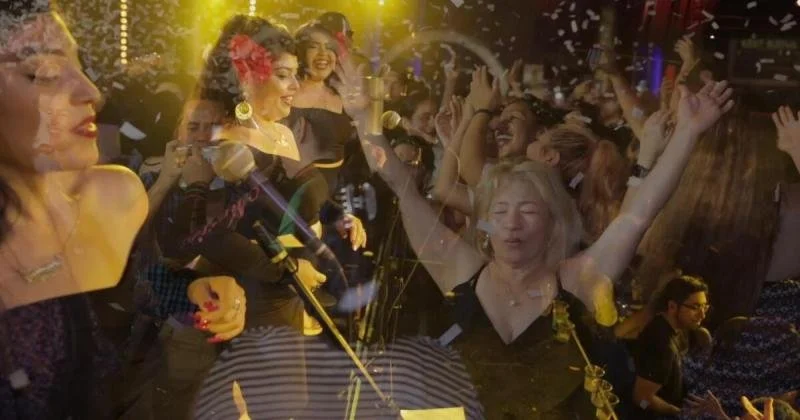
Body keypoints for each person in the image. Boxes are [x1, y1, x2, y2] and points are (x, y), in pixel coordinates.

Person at [337, 54, 734, 416]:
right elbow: (402, 185)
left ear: (552, 223)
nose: (512, 224)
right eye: (500, 212)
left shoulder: (577, 279)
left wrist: (688, 133)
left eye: (527, 212)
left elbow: (637, 216)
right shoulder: (462, 270)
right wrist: (362, 118)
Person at [0, 3, 244, 418]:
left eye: (79, 65)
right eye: (45, 72)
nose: (91, 92)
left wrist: (192, 292)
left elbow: (138, 287)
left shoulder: (109, 198)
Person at [633, 275, 710, 418]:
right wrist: (679, 413)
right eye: (695, 307)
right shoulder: (662, 345)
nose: (702, 315)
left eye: (704, 307)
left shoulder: (674, 326)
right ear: (672, 306)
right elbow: (640, 398)